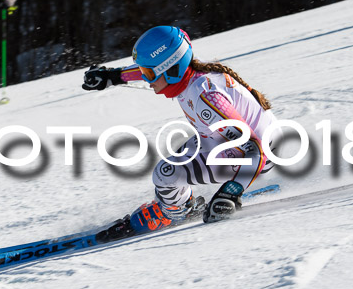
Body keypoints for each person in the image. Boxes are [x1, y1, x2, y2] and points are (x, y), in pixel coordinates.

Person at [82, 25, 280, 239]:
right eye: (143, 72)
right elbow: (151, 70)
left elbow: (256, 150)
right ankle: (178, 205)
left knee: (164, 175)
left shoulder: (205, 98)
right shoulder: (192, 72)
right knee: (173, 166)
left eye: (148, 73)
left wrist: (230, 193)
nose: (146, 80)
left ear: (171, 69)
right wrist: (112, 76)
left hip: (254, 156)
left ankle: (176, 213)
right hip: (230, 141)